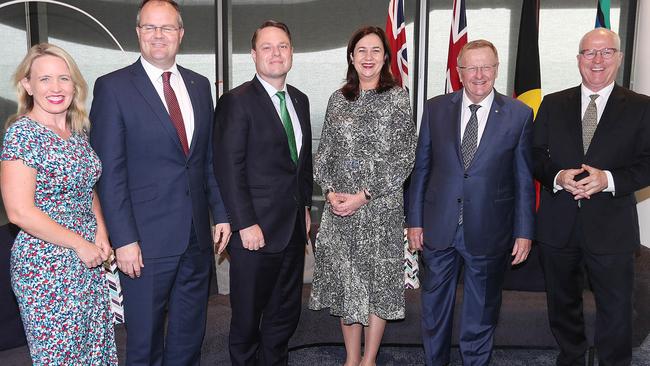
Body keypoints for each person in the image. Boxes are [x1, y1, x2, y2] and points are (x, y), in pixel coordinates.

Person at [89, 1, 231, 364]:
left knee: (189, 338)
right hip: (144, 244)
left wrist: (222, 214)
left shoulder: (199, 86)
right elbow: (110, 173)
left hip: (196, 238)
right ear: (138, 33)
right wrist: (124, 240)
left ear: (180, 35)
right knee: (145, 343)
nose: (158, 35)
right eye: (150, 27)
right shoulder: (113, 88)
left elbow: (206, 161)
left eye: (167, 28)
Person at [407, 39, 535, 365]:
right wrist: (415, 221)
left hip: (490, 228)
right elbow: (422, 168)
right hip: (438, 226)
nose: (479, 74)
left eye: (486, 66)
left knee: (481, 313)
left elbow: (523, 178)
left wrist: (524, 231)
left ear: (496, 69)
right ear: (459, 71)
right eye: (471, 67)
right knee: (435, 309)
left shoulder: (519, 114)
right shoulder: (435, 108)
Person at [533, 28, 650, 366]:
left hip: (612, 228)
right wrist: (558, 175)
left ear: (619, 57)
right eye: (589, 53)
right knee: (563, 308)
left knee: (616, 313)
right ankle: (571, 359)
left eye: (606, 52)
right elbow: (535, 154)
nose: (597, 60)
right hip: (558, 227)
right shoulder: (553, 104)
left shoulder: (642, 108)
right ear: (579, 59)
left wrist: (607, 179)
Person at [0, 43, 117, 365]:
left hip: (87, 260)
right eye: (45, 79)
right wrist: (80, 244)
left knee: (94, 352)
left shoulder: (76, 132)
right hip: (46, 265)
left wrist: (101, 235)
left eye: (64, 79)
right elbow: (19, 211)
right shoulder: (22, 134)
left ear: (75, 84)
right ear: (27, 85)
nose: (56, 88)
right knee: (61, 357)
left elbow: (88, 188)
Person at [308, 25, 416, 366]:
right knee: (347, 284)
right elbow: (323, 153)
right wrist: (329, 192)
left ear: (385, 57)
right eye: (361, 51)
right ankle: (350, 359)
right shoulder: (337, 100)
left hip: (380, 211)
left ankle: (369, 360)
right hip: (340, 211)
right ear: (351, 58)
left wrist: (364, 195)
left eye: (375, 51)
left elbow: (404, 156)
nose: (368, 57)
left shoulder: (397, 97)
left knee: (376, 285)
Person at [213, 20, 313, 366]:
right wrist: (244, 224)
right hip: (254, 234)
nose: (276, 53)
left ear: (291, 53)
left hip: (292, 232)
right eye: (267, 47)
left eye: (282, 46)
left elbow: (302, 164)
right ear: (254, 55)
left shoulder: (299, 100)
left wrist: (304, 209)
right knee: (246, 322)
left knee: (283, 319)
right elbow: (228, 168)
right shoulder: (236, 102)